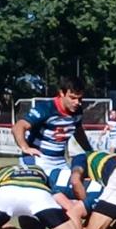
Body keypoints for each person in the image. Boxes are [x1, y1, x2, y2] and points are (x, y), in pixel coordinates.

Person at [12, 76, 94, 219]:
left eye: (80, 99)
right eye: (73, 98)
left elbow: (78, 131)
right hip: (38, 161)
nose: (77, 102)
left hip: (60, 162)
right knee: (43, 208)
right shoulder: (46, 108)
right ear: (61, 93)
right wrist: (25, 147)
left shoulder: (77, 111)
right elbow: (18, 127)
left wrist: (89, 152)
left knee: (73, 197)